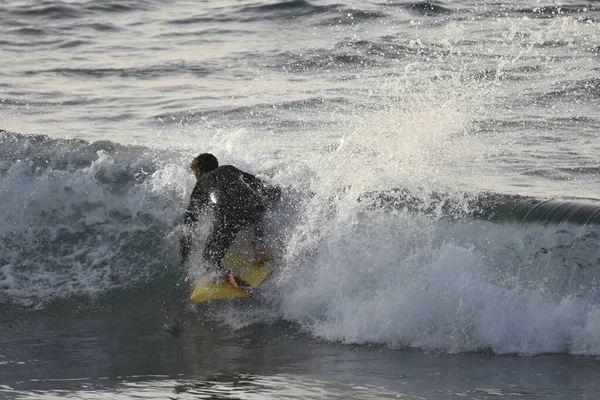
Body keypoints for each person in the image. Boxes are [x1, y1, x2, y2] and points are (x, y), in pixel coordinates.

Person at [180, 153, 280, 291]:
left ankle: (231, 276)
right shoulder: (229, 169)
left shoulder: (200, 185)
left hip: (230, 214)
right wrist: (276, 193)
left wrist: (184, 257)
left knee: (208, 261)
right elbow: (257, 183)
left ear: (198, 171)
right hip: (256, 206)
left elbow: (190, 223)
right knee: (256, 209)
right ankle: (259, 248)